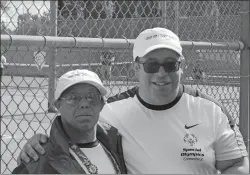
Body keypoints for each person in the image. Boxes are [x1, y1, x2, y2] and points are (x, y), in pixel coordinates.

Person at [17, 28, 249, 174]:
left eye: (170, 64)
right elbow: (70, 132)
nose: (161, 73)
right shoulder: (108, 112)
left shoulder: (212, 110)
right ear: (135, 67)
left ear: (182, 67)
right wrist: (37, 144)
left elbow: (236, 164)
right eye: (151, 65)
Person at [12, 69, 127, 174]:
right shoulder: (39, 161)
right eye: (73, 98)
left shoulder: (118, 144)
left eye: (92, 96)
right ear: (57, 105)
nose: (84, 104)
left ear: (102, 103)